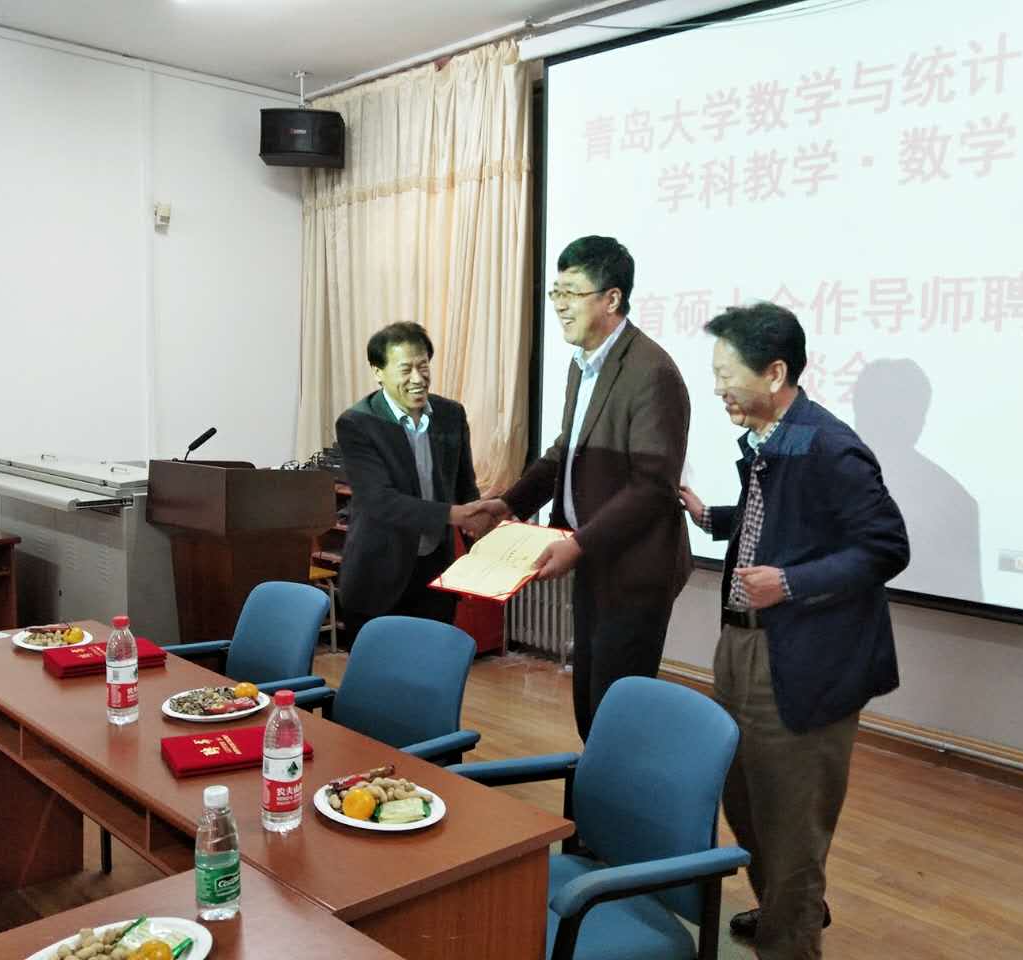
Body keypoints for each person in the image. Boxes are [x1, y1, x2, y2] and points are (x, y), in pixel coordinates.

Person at [678, 302, 909, 959]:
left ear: (775, 373)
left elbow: (885, 547)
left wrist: (790, 582)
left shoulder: (829, 445)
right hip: (744, 645)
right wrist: (715, 518)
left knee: (791, 820)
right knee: (745, 799)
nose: (718, 388)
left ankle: (793, 934)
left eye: (727, 374)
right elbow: (788, 520)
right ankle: (785, 908)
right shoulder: (775, 438)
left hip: (803, 659)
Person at [478, 235, 692, 741]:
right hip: (596, 561)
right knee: (589, 706)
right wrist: (509, 503)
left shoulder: (652, 372)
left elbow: (652, 486)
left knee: (616, 715)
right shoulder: (585, 365)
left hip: (634, 571)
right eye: (555, 293)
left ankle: (621, 792)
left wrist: (578, 543)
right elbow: (565, 452)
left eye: (571, 293)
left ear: (611, 298)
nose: (559, 305)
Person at [335, 322, 490, 643]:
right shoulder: (358, 423)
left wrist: (482, 530)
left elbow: (464, 485)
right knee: (379, 669)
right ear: (378, 372)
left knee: (430, 663)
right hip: (379, 572)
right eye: (406, 369)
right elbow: (379, 501)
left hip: (434, 570)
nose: (418, 378)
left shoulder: (450, 414)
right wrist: (454, 514)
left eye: (424, 366)